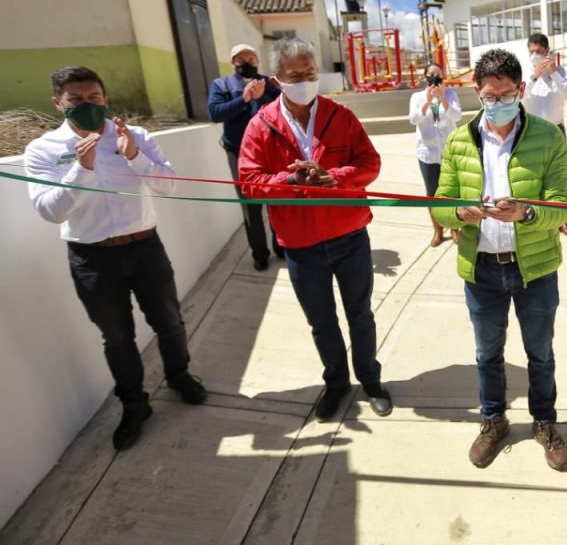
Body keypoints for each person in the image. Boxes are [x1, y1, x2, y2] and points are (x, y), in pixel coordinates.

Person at [24, 66, 207, 450]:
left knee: (169, 321)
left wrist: (135, 157)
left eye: (94, 97)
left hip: (145, 247)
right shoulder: (43, 150)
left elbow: (169, 185)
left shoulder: (134, 136)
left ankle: (179, 376)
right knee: (117, 337)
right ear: (59, 103)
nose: (87, 105)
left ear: (105, 98)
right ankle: (135, 405)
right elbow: (50, 211)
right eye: (76, 99)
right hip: (92, 259)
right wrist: (82, 168)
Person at [432, 48, 567, 472]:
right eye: (489, 96)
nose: (497, 103)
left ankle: (545, 423)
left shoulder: (548, 137)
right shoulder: (459, 140)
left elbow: (562, 206)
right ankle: (493, 420)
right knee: (487, 353)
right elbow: (439, 203)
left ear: (521, 90)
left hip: (534, 267)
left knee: (540, 353)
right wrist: (459, 213)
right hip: (482, 268)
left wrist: (526, 213)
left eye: (506, 94)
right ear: (477, 92)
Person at [237, 37, 393, 420]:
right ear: (277, 79)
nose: (305, 80)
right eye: (295, 75)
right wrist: (288, 184)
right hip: (302, 245)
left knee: (360, 314)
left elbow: (370, 164)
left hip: (349, 235)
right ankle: (336, 383)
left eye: (310, 73)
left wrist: (336, 178)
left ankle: (370, 379)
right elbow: (249, 182)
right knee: (321, 321)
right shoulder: (261, 126)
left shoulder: (341, 116)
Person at [208, 43, 283, 270]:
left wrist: (260, 98)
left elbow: (282, 109)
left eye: (251, 59)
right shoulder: (221, 84)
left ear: (258, 61)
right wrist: (244, 99)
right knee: (250, 204)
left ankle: (281, 246)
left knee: (275, 200)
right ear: (233, 62)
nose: (247, 63)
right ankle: (259, 253)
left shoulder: (269, 84)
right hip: (238, 152)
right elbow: (215, 113)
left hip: (268, 151)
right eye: (241, 60)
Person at [523, 32, 567, 236]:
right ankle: (539, 217)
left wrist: (554, 73)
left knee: (559, 177)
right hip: (532, 132)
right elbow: (520, 98)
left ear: (547, 51)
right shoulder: (526, 75)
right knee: (535, 176)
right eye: (531, 51)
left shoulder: (561, 72)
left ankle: (562, 219)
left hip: (556, 130)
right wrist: (534, 76)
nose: (535, 55)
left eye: (539, 51)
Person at [408, 62, 462, 247]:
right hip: (427, 153)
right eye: (431, 75)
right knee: (432, 194)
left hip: (448, 151)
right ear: (425, 77)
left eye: (438, 75)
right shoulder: (417, 97)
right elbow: (413, 119)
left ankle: (454, 228)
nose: (434, 78)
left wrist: (443, 99)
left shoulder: (451, 94)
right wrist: (428, 102)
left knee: (452, 191)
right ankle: (437, 229)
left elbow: (457, 116)